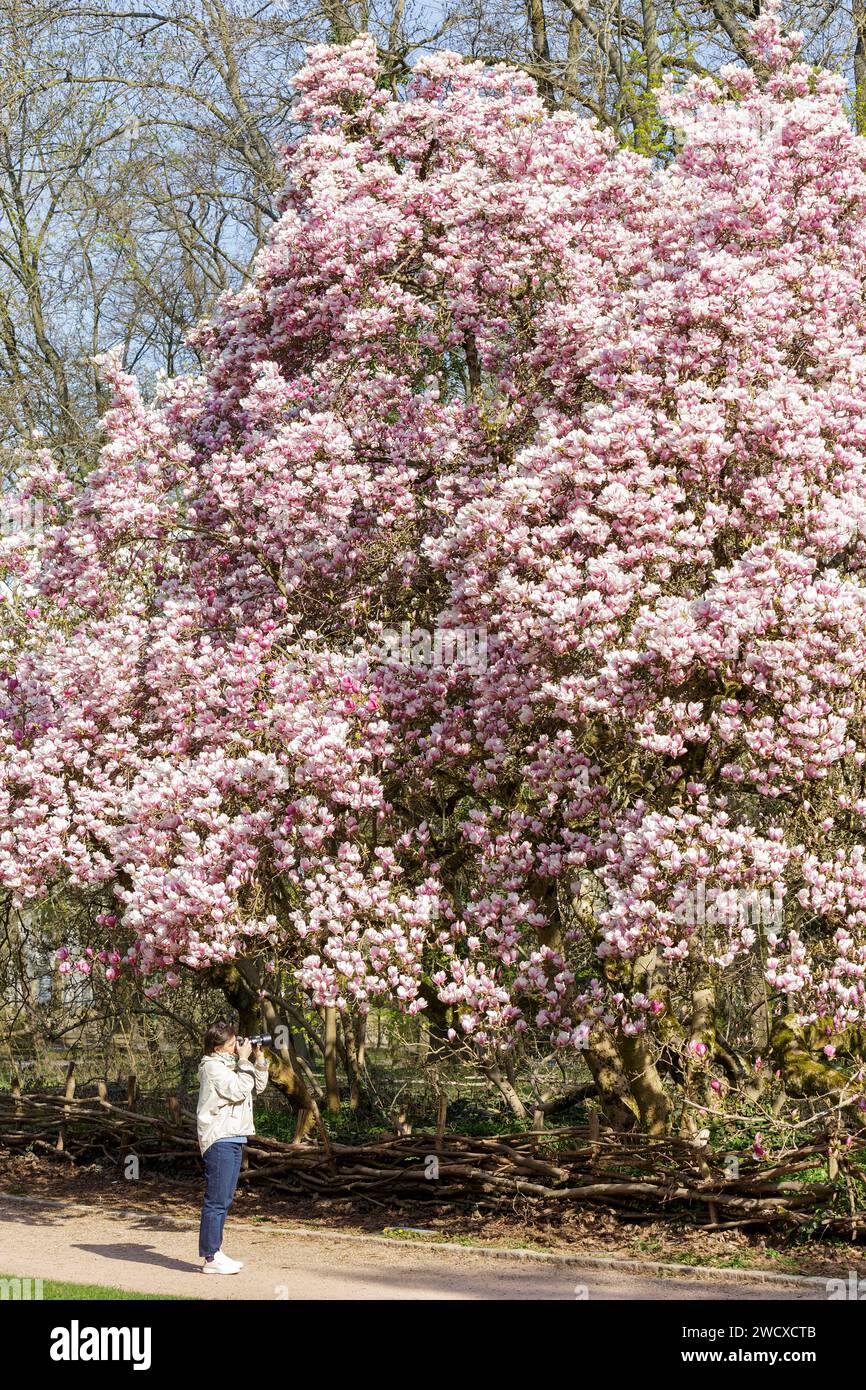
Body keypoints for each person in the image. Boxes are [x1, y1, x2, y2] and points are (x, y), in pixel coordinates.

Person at [196, 1019, 269, 1275]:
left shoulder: (231, 1065)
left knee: (224, 1199)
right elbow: (239, 1090)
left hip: (234, 1136)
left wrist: (257, 1060)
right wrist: (245, 1061)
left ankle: (215, 1251)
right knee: (216, 1200)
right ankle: (210, 1256)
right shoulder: (212, 1068)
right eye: (231, 1044)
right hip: (220, 1138)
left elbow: (256, 1087)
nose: (235, 1047)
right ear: (217, 1048)